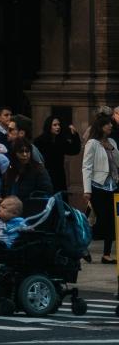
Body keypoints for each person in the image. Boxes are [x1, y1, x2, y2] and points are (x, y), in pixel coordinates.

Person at [82, 110, 119, 264]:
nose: (111, 125)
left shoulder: (113, 142)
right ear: (101, 126)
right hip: (98, 186)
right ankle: (83, 246)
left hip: (113, 185)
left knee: (112, 220)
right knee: (102, 220)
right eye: (108, 123)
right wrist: (87, 190)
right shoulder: (93, 143)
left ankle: (106, 254)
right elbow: (86, 167)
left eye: (111, 123)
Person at [0, 141, 53, 213]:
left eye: (27, 151)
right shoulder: (10, 170)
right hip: (11, 213)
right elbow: (4, 190)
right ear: (14, 154)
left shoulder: (38, 170)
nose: (25, 154)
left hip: (32, 213)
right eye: (21, 152)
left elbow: (46, 192)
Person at [34, 115, 81, 195]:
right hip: (45, 174)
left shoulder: (61, 140)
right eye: (55, 125)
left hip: (59, 175)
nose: (58, 127)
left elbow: (74, 150)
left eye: (59, 125)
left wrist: (75, 135)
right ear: (49, 126)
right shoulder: (39, 141)